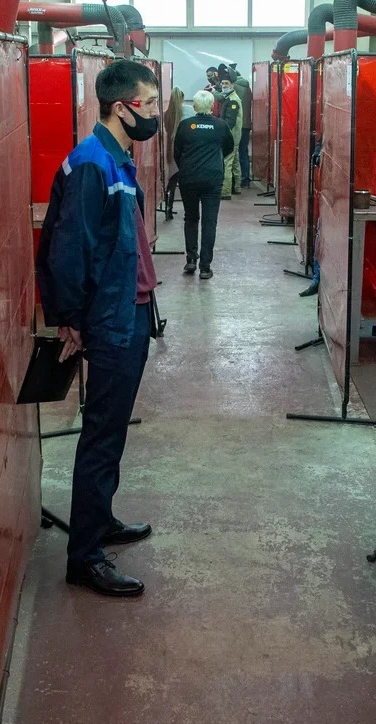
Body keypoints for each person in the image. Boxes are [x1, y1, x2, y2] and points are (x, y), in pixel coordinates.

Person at [35, 59, 162, 598]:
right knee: (101, 434)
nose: (155, 114)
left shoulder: (115, 160)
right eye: (149, 105)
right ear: (121, 107)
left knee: (110, 432)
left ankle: (99, 519)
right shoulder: (93, 165)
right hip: (110, 319)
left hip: (128, 311)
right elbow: (68, 250)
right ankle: (84, 557)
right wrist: (69, 320)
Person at [173, 90, 234, 280]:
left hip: (188, 178)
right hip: (212, 179)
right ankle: (205, 267)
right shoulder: (220, 126)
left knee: (190, 218)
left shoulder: (185, 125)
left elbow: (177, 152)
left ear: (195, 106)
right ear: (212, 106)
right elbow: (229, 147)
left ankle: (191, 259)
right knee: (209, 222)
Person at [218, 73, 244, 196]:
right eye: (222, 83)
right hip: (235, 136)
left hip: (231, 136)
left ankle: (226, 191)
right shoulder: (231, 97)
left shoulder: (233, 100)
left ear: (232, 85)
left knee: (227, 163)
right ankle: (237, 187)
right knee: (235, 162)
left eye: (226, 84)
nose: (224, 86)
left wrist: (223, 135)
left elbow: (230, 122)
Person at [161, 86, 185, 221]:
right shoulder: (185, 113)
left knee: (172, 179)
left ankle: (168, 208)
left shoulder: (166, 114)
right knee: (184, 180)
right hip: (182, 150)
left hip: (170, 148)